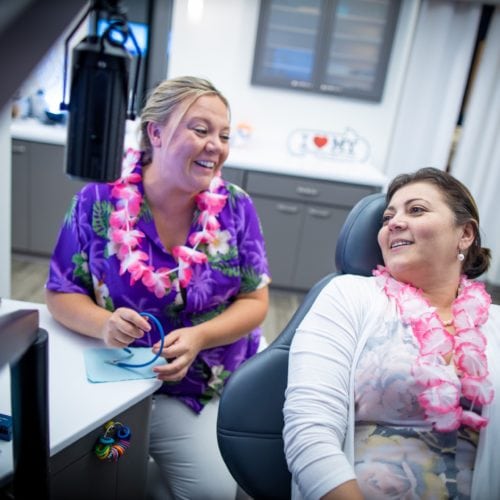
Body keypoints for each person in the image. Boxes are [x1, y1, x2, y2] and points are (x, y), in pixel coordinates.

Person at [45, 76, 271, 499]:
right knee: (76, 479)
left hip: (200, 387)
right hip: (116, 382)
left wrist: (202, 336)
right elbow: (60, 292)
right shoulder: (97, 199)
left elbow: (256, 300)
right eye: (200, 129)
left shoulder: (237, 206)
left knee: (211, 494)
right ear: (156, 132)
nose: (216, 146)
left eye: (223, 135)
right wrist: (104, 324)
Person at [283, 167, 500, 500]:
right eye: (387, 218)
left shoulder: (494, 323)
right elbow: (309, 430)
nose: (393, 223)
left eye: (416, 210)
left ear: (466, 234)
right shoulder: (349, 296)